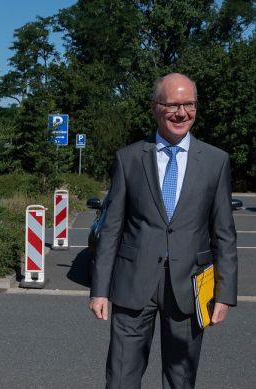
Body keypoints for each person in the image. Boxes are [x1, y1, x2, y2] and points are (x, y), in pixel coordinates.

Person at [89, 73, 238, 389]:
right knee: (120, 377)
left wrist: (225, 293)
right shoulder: (129, 158)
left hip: (191, 286)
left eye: (189, 104)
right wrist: (99, 289)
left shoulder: (216, 161)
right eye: (173, 104)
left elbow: (224, 233)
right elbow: (112, 228)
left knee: (180, 379)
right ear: (155, 107)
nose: (182, 112)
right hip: (133, 284)